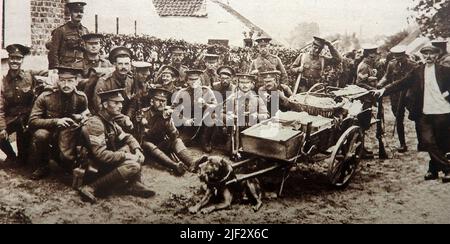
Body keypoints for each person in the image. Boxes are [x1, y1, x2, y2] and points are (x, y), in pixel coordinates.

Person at [374, 44, 450, 183]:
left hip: (442, 110)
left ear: (436, 56)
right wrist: (383, 90)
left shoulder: (445, 70)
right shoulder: (417, 71)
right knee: (427, 141)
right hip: (424, 111)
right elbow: (401, 83)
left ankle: (432, 170)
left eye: (431, 54)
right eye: (425, 54)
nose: (428, 56)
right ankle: (447, 168)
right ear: (422, 56)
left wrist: (447, 94)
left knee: (440, 142)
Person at [78, 89, 154, 203]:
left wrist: (137, 150)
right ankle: (91, 187)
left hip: (104, 162)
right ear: (105, 104)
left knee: (131, 150)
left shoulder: (110, 121)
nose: (120, 106)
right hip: (93, 167)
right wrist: (126, 156)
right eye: (116, 103)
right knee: (133, 165)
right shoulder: (96, 123)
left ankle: (133, 184)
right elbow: (101, 155)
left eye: (121, 103)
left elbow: (127, 137)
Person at [27, 67, 90, 180]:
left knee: (66, 160)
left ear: (76, 81)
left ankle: (66, 160)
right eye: (62, 80)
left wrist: (81, 117)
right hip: (49, 129)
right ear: (58, 81)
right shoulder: (46, 96)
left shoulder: (81, 97)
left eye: (70, 81)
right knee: (41, 135)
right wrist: (56, 122)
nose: (66, 84)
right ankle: (43, 165)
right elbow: (32, 121)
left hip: (68, 132)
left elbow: (85, 113)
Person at [0, 44, 47, 164]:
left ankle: (23, 157)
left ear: (22, 60)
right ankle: (11, 156)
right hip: (12, 117)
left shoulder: (29, 74)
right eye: (12, 58)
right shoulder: (3, 80)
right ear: (8, 59)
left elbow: (48, 72)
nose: (15, 61)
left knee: (24, 159)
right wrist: (2, 128)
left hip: (27, 118)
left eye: (18, 58)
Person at [140, 88, 198, 175]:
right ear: (152, 102)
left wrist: (169, 123)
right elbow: (147, 135)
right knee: (148, 144)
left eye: (164, 101)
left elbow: (174, 136)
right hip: (148, 147)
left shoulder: (166, 114)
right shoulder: (143, 113)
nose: (161, 103)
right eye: (158, 100)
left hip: (161, 143)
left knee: (177, 141)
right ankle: (175, 166)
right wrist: (163, 121)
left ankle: (192, 162)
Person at [378, 46, 417, 153]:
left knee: (416, 116)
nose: (398, 58)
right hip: (395, 95)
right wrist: (380, 84)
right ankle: (402, 144)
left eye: (400, 56)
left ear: (405, 55)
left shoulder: (413, 65)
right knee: (398, 118)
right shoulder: (391, 64)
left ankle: (422, 142)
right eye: (396, 56)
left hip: (409, 95)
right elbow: (386, 76)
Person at [172, 70, 218, 153]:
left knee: (212, 116)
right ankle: (190, 137)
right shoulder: (182, 92)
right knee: (181, 143)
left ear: (200, 80)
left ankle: (205, 141)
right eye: (191, 79)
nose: (194, 82)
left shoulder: (207, 91)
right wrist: (184, 120)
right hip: (188, 123)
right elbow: (174, 110)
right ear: (187, 81)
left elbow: (215, 106)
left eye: (196, 79)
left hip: (203, 122)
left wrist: (205, 104)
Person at [93, 46, 135, 132]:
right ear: (114, 64)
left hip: (125, 119)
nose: (124, 67)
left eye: (126, 64)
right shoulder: (104, 81)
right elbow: (99, 107)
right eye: (120, 64)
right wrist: (123, 119)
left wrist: (128, 117)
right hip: (106, 120)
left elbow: (132, 102)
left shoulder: (130, 80)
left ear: (130, 65)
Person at [47, 1, 89, 69]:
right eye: (76, 11)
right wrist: (56, 69)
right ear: (70, 13)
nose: (79, 14)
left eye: (81, 12)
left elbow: (87, 53)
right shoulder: (61, 30)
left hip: (81, 68)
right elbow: (53, 53)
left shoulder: (85, 31)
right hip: (65, 68)